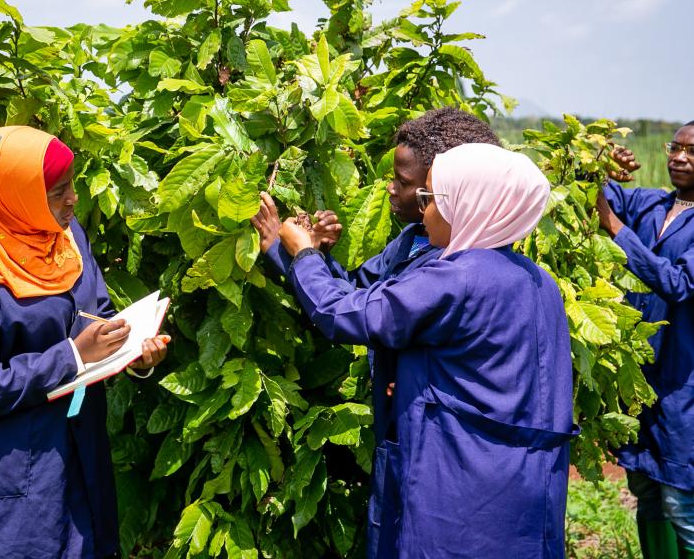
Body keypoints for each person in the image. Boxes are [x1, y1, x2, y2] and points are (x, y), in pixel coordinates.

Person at [268, 143, 577, 558]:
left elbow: (345, 313)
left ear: (469, 205)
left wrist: (302, 253)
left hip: (460, 484)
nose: (424, 210)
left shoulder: (457, 278)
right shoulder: (538, 281)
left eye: (433, 199)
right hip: (521, 484)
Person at [0, 125, 169, 558]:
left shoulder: (68, 240)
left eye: (71, 185)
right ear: (16, 197)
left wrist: (134, 351)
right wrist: (73, 354)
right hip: (15, 469)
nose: (72, 199)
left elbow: (99, 316)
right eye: (57, 192)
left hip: (80, 451)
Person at [252, 107, 502, 446]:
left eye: (406, 183)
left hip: (436, 439)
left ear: (448, 189)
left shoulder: (452, 268)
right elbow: (357, 292)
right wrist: (309, 252)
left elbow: (357, 316)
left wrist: (304, 255)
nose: (390, 189)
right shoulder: (413, 239)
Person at [598, 121, 694, 558]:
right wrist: (598, 165)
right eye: (674, 148)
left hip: (683, 379)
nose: (678, 157)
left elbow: (677, 284)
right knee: (647, 489)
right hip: (641, 375)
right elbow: (599, 197)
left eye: (691, 151)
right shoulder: (653, 203)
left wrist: (618, 231)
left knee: (681, 497)